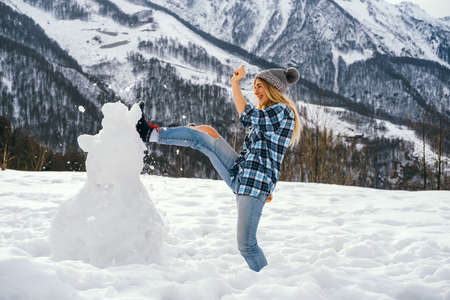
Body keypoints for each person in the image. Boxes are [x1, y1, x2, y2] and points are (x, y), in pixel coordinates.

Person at [136, 65, 302, 272]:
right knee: (204, 134)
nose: (256, 91)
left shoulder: (281, 111)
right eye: (255, 87)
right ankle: (150, 133)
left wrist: (234, 84)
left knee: (247, 246)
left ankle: (267, 283)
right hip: (242, 171)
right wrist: (199, 132)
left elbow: (247, 115)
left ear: (272, 88)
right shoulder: (269, 114)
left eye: (260, 86)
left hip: (253, 185)